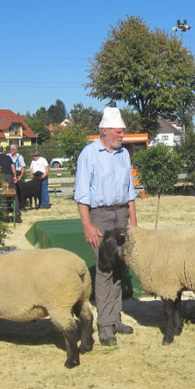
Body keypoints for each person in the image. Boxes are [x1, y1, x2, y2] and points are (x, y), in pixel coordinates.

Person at [74, 107, 138, 345]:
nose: (122, 134)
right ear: (105, 131)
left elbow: (129, 191)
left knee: (120, 268)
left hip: (121, 214)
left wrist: (134, 221)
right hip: (99, 217)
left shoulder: (124, 154)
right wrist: (87, 225)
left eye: (122, 131)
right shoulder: (89, 154)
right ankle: (104, 325)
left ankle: (115, 318)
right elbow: (81, 194)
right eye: (118, 131)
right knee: (105, 270)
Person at [0, 146, 21, 223]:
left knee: (3, 195)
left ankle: (4, 213)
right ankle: (17, 213)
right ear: (3, 151)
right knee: (14, 193)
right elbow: (13, 166)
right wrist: (15, 176)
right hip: (9, 177)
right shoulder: (8, 157)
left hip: (1, 178)